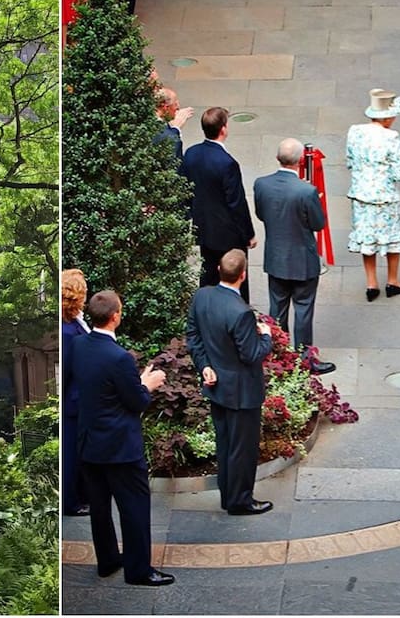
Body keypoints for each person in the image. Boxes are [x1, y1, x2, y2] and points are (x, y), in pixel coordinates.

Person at [73, 290, 172, 587]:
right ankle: (139, 570)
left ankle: (107, 561)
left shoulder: (78, 345)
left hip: (90, 443)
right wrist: (148, 383)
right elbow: (137, 402)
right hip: (120, 448)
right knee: (134, 507)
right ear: (115, 316)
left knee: (100, 508)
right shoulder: (119, 358)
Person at [186, 250, 274, 516]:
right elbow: (251, 354)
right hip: (242, 392)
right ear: (243, 276)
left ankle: (229, 494)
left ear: (218, 269)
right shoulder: (241, 313)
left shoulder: (202, 296)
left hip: (217, 387)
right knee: (242, 449)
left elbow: (193, 335)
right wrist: (266, 337)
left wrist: (205, 366)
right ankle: (239, 501)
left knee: (225, 443)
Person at [253, 138, 335, 375]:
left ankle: (277, 355)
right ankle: (305, 358)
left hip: (276, 257)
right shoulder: (306, 191)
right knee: (303, 309)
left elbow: (261, 214)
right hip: (302, 260)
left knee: (277, 308)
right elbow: (318, 224)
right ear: (300, 161)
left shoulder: (261, 184)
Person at [179, 107, 256, 302]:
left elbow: (185, 189)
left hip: (204, 228)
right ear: (223, 129)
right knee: (235, 279)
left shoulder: (192, 153)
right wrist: (249, 234)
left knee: (208, 277)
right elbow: (236, 203)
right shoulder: (227, 163)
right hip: (228, 234)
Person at [346, 88, 400, 301]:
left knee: (367, 238)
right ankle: (392, 281)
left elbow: (350, 161)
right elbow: (399, 172)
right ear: (388, 116)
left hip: (361, 194)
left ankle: (371, 283)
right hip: (385, 196)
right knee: (393, 238)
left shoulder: (354, 131)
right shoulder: (391, 137)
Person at [60, 268, 91, 517]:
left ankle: (80, 496)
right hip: (73, 403)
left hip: (80, 402)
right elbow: (68, 370)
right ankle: (71, 502)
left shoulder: (75, 323)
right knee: (70, 455)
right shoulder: (67, 332)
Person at [154, 87, 195, 162]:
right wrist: (175, 129)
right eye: (175, 104)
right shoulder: (169, 135)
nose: (178, 107)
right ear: (165, 107)